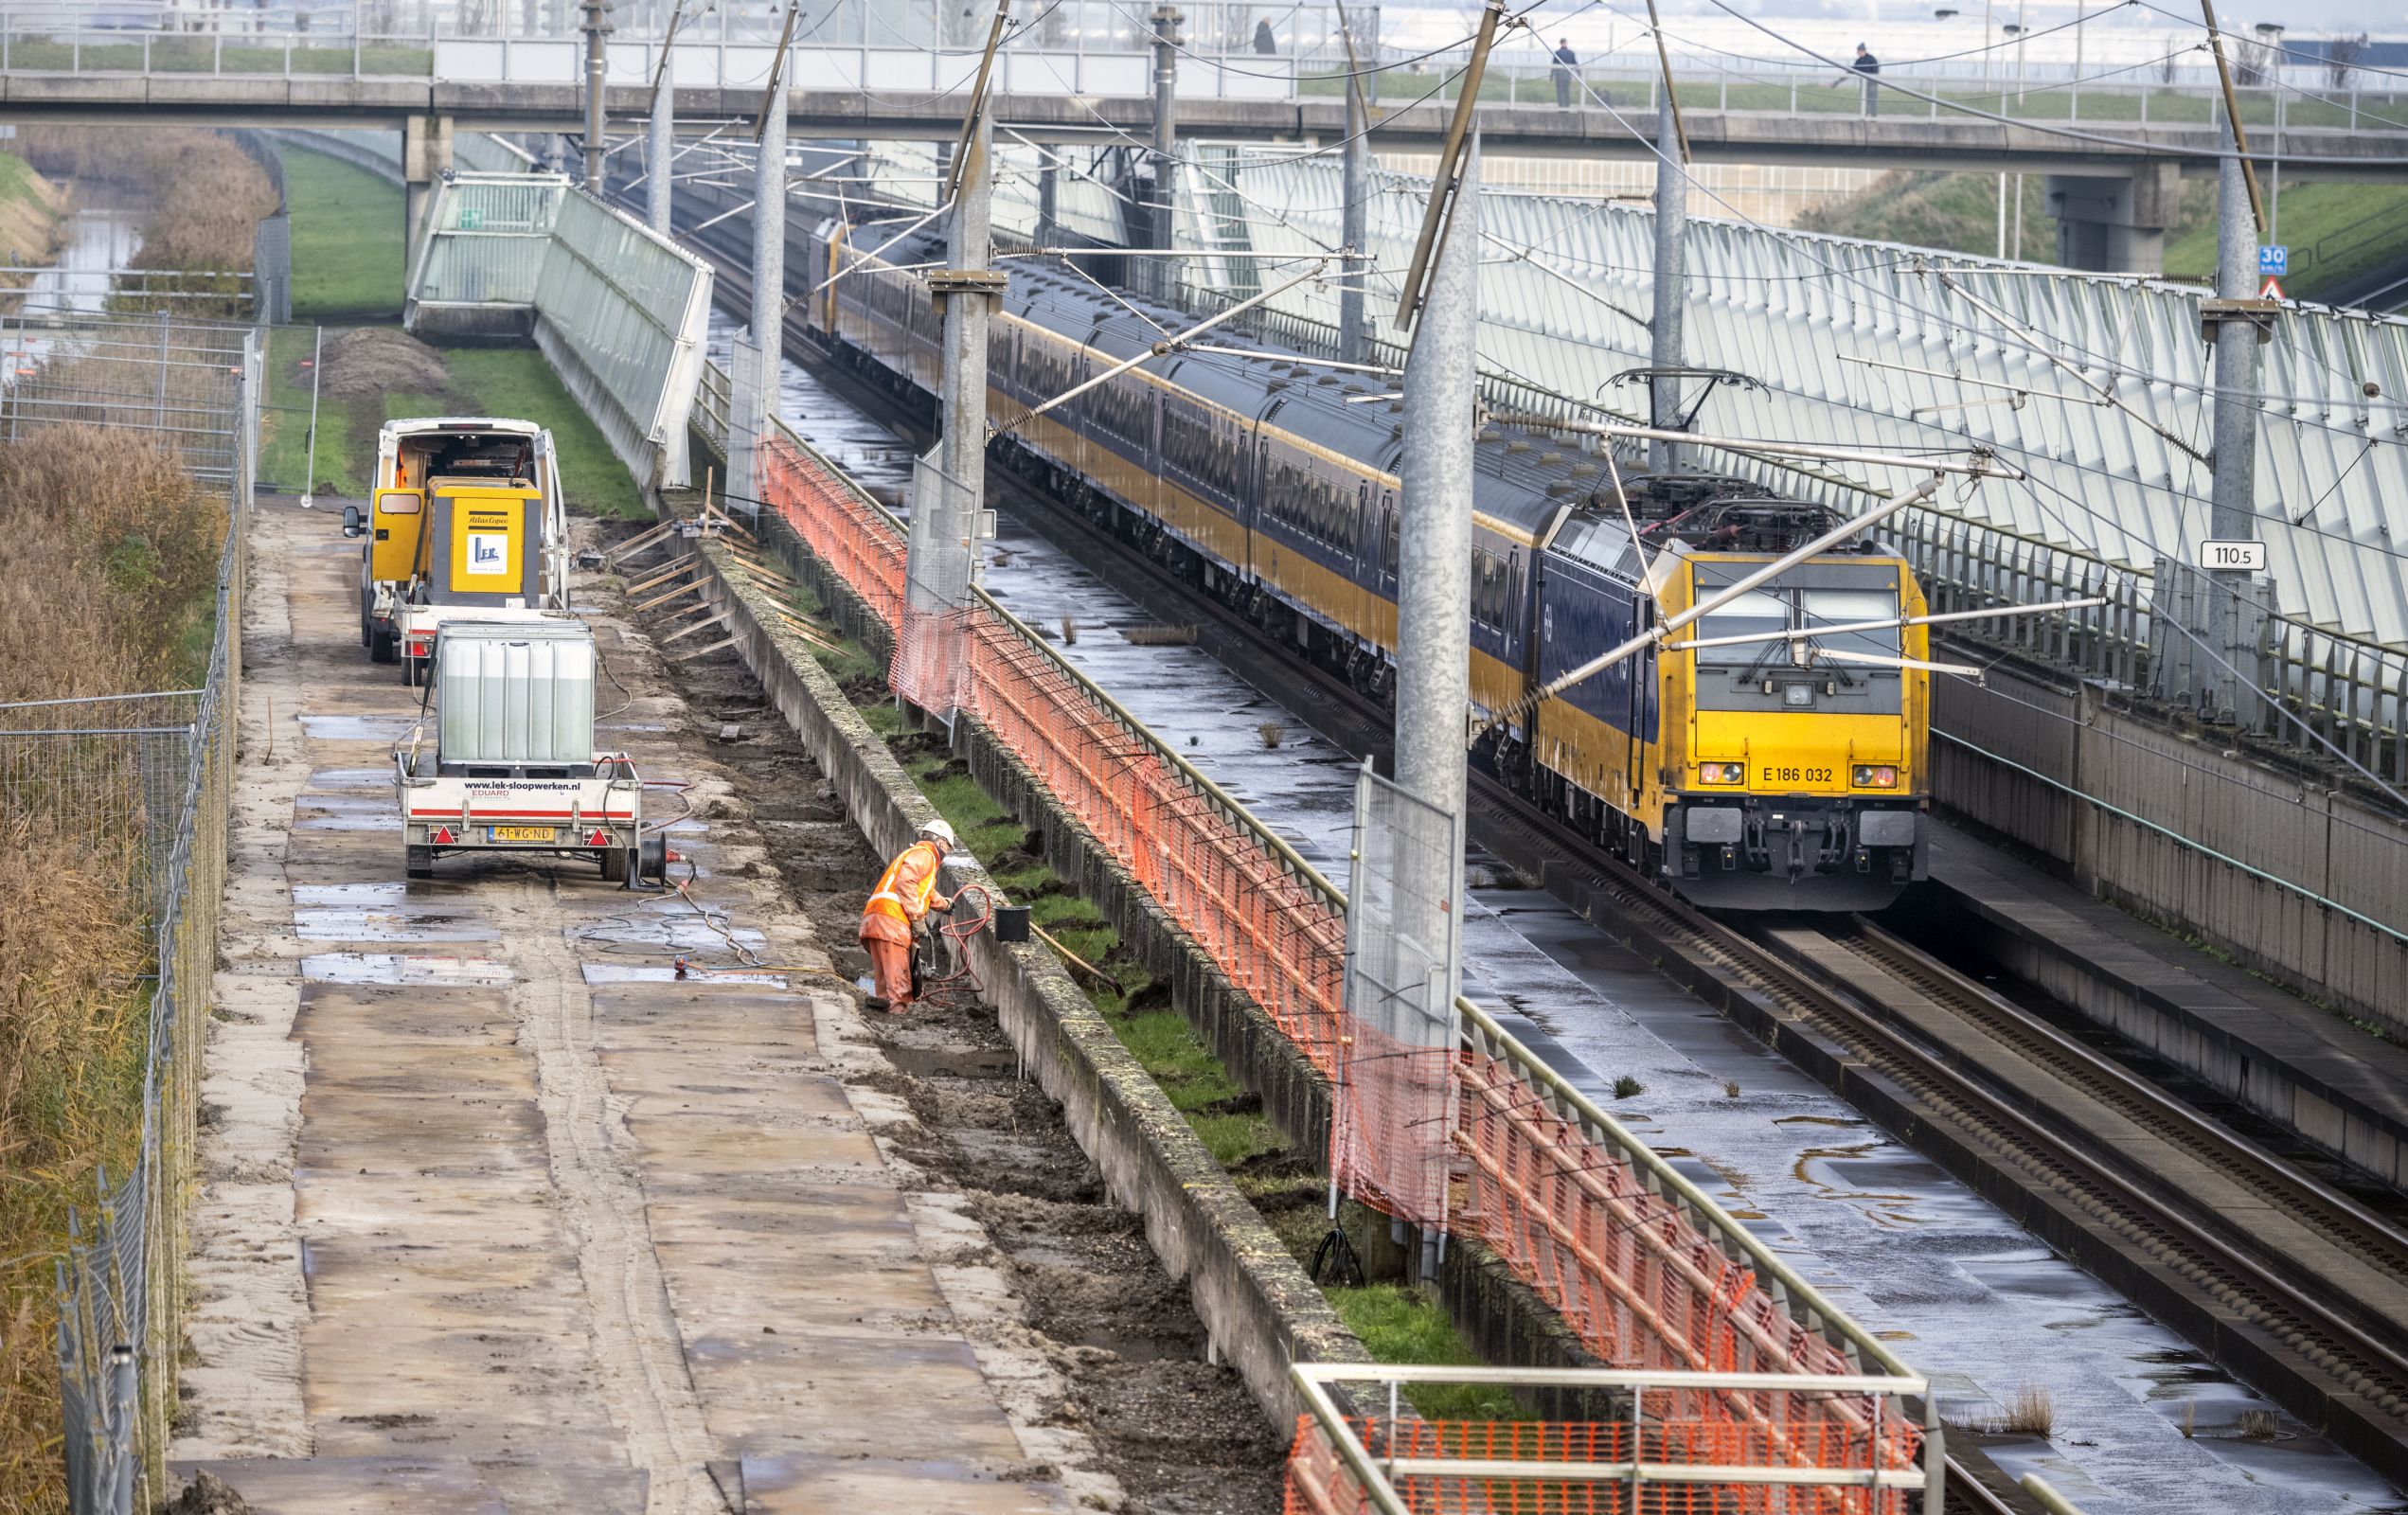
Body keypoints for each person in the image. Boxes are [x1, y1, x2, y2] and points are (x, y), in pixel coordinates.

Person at [859, 819, 956, 1012]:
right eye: (948, 848)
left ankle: (884, 1024)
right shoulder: (926, 855)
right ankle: (898, 1021)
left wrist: (943, 904)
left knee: (885, 985)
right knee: (899, 990)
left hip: (875, 920)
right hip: (892, 923)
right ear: (942, 843)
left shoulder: (912, 854)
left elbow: (923, 890)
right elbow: (905, 883)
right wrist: (917, 918)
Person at [1852, 43, 1881, 117]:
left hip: (1872, 85)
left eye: (1858, 52)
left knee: (1872, 101)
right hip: (1863, 86)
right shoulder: (1858, 61)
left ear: (1862, 51)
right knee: (1863, 101)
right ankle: (1864, 117)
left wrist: (1872, 84)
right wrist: (1836, 83)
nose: (1858, 54)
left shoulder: (1872, 59)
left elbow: (1876, 73)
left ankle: (1873, 118)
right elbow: (1851, 71)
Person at [1551, 37, 1579, 109]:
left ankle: (1561, 106)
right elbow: (1575, 63)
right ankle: (1567, 106)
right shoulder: (1571, 53)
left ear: (1560, 43)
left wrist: (1551, 76)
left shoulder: (1557, 53)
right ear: (1566, 43)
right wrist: (1579, 73)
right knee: (1567, 91)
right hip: (1568, 76)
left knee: (1560, 91)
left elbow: (1554, 65)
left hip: (1559, 76)